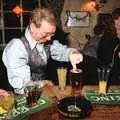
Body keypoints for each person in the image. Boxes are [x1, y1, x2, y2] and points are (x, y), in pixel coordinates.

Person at [2, 7, 83, 94]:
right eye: (45, 34)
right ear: (32, 27)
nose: (49, 38)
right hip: (21, 97)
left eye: (52, 34)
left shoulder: (44, 40)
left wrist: (72, 53)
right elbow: (22, 87)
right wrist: (43, 83)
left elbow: (60, 50)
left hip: (40, 92)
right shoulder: (17, 47)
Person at [97, 8, 120, 85]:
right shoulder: (108, 37)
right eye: (116, 24)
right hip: (110, 77)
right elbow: (101, 57)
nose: (118, 28)